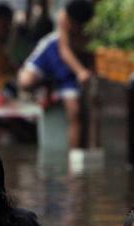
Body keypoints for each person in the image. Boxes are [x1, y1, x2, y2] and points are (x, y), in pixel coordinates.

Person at [17, 0, 94, 149]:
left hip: (72, 66)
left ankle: (73, 157)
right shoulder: (63, 16)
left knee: (74, 112)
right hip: (55, 54)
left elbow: (89, 52)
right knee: (24, 81)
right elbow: (64, 50)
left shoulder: (91, 24)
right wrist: (81, 71)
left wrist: (83, 70)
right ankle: (47, 88)